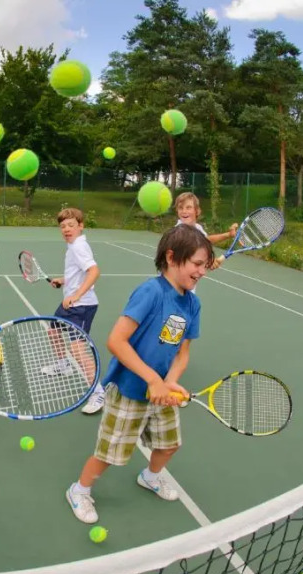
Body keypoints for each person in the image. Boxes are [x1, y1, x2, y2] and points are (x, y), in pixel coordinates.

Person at [65, 225, 214, 524]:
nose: (203, 272)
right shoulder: (151, 292)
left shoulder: (193, 304)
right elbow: (116, 341)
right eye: (197, 264)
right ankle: (79, 490)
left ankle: (151, 476)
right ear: (172, 258)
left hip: (160, 391)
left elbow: (182, 352)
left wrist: (170, 380)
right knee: (110, 453)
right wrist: (152, 379)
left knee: (170, 444)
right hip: (131, 390)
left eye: (206, 266)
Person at [40, 207, 105, 415]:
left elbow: (94, 272)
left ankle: (98, 393)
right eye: (63, 226)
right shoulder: (74, 246)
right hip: (71, 304)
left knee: (78, 350)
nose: (66, 229)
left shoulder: (79, 247)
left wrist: (76, 295)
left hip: (82, 306)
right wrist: (64, 280)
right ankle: (63, 364)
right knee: (53, 331)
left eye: (71, 225)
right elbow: (78, 273)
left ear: (81, 226)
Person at [174, 192, 238, 269]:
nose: (184, 211)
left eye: (188, 207)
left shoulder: (197, 227)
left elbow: (206, 240)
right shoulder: (179, 230)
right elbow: (191, 248)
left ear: (197, 211)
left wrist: (228, 235)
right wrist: (208, 260)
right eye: (180, 208)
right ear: (177, 211)